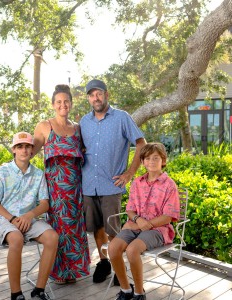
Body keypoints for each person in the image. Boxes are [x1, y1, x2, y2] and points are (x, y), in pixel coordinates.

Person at [80, 79, 147, 284]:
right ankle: (104, 263)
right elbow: (81, 148)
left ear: (106, 94)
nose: (96, 98)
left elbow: (141, 142)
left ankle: (119, 266)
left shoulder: (121, 118)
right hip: (89, 184)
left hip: (112, 185)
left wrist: (129, 173)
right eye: (92, 95)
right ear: (89, 98)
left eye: (99, 93)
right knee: (97, 227)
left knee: (114, 229)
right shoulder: (84, 122)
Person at [0, 132, 59, 300]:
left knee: (52, 237)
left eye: (27, 146)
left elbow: (44, 203)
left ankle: (39, 289)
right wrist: (13, 219)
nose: (24, 150)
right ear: (14, 149)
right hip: (4, 219)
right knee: (16, 238)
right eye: (20, 146)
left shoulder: (38, 174)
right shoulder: (1, 172)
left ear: (32, 149)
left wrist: (29, 216)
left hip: (29, 219)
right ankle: (16, 293)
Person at [33, 84, 90, 284]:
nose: (63, 105)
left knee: (74, 229)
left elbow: (87, 155)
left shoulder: (77, 128)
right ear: (53, 105)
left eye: (66, 101)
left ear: (71, 104)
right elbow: (28, 153)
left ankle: (72, 271)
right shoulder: (44, 126)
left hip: (76, 189)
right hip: (55, 190)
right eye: (59, 102)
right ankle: (59, 272)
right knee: (59, 229)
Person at [108, 142, 180, 300]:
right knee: (113, 249)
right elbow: (130, 209)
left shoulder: (169, 185)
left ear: (163, 160)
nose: (151, 161)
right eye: (147, 158)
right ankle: (126, 290)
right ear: (142, 162)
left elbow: (168, 216)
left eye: (156, 158)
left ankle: (139, 293)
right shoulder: (137, 182)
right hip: (135, 225)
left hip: (158, 230)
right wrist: (138, 220)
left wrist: (147, 224)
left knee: (132, 250)